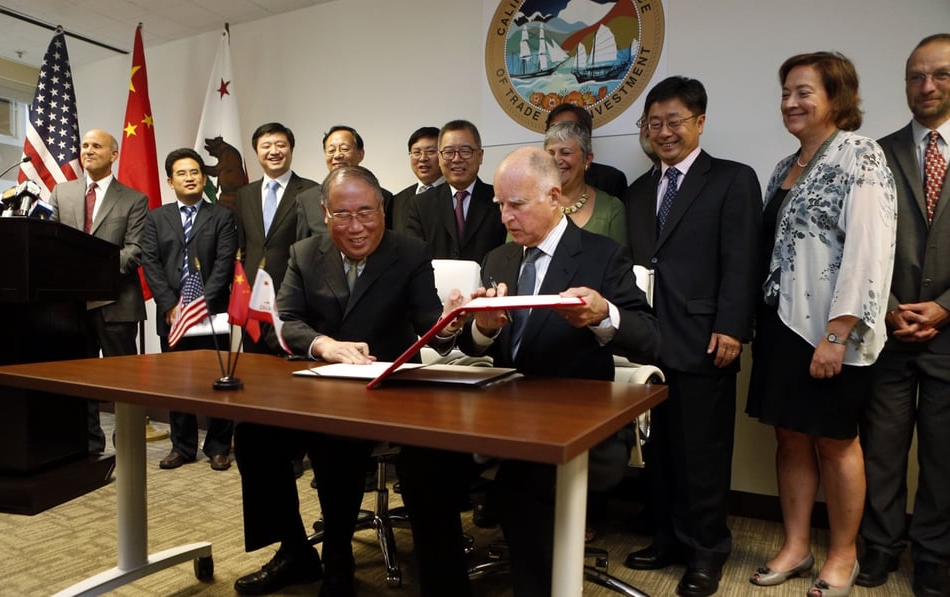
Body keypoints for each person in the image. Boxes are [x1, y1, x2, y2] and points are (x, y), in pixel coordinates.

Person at [397, 147, 660, 597]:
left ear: (554, 196)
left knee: (523, 490)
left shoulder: (602, 257)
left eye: (516, 204)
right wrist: (480, 329)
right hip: (501, 413)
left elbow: (650, 336)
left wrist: (602, 316)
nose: (505, 217)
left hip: (571, 419)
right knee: (420, 463)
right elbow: (470, 346)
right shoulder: (500, 259)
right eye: (499, 204)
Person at [232, 165, 459, 597]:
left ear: (383, 210)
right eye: (343, 215)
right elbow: (288, 321)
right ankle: (295, 551)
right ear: (325, 213)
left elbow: (430, 320)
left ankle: (338, 559)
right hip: (317, 385)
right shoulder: (303, 253)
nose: (356, 227)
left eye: (365, 213)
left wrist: (449, 324)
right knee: (254, 438)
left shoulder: (410, 253)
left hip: (382, 393)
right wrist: (324, 345)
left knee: (334, 446)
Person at [745, 52, 896, 597]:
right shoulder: (783, 166)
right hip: (781, 323)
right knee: (790, 437)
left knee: (835, 440)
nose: (791, 102)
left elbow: (869, 253)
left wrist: (837, 333)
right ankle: (797, 546)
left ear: (837, 97)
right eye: (786, 91)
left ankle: (843, 555)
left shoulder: (862, 155)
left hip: (832, 330)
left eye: (804, 91)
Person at [625, 76, 762, 597]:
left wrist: (732, 327)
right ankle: (666, 539)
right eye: (653, 123)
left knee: (702, 455)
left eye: (674, 122)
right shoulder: (639, 191)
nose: (663, 132)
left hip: (708, 340)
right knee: (658, 452)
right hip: (649, 344)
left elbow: (743, 260)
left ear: (699, 122)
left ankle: (706, 553)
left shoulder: (731, 179)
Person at [859, 34, 950, 597]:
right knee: (882, 450)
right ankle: (880, 547)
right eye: (916, 76)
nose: (926, 86)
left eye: (939, 74)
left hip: (949, 334)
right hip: (887, 331)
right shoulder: (877, 151)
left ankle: (935, 556)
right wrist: (890, 308)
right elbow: (861, 242)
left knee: (943, 455)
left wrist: (943, 308)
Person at [50, 129, 148, 454]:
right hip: (72, 305)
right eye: (85, 146)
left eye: (96, 146)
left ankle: (130, 441)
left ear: (113, 155)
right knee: (82, 376)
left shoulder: (134, 199)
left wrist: (89, 269)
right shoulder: (61, 193)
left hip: (116, 302)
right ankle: (90, 444)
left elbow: (134, 251)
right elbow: (51, 243)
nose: (88, 150)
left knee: (124, 378)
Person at [140, 148, 237, 471]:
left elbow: (224, 264)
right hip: (171, 314)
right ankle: (182, 446)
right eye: (182, 173)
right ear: (171, 181)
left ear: (203, 176)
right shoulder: (155, 217)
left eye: (195, 172)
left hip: (212, 311)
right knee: (177, 383)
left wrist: (199, 305)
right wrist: (168, 304)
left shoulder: (221, 216)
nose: (190, 177)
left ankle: (219, 446)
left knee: (218, 381)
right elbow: (150, 262)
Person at [233, 122, 317, 355]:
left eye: (281, 145)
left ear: (291, 149)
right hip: (252, 293)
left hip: (292, 292)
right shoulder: (244, 194)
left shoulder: (311, 191)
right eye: (266, 146)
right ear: (257, 152)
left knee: (289, 359)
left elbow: (314, 245)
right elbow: (243, 246)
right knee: (252, 362)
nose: (274, 151)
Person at [405, 119, 506, 263]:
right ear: (439, 158)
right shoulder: (420, 205)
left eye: (465, 151)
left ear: (480, 156)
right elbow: (414, 258)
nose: (457, 159)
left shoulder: (499, 200)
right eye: (449, 152)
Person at [293, 125, 394, 239]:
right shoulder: (307, 200)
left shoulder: (382, 196)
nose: (337, 155)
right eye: (331, 151)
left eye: (345, 149)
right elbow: (303, 249)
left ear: (360, 154)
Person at [545, 120, 627, 245]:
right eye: (550, 153)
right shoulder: (530, 205)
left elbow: (620, 263)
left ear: (587, 158)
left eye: (565, 153)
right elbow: (514, 259)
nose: (556, 160)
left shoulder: (610, 209)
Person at [546, 102, 628, 202]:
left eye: (570, 128)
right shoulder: (535, 182)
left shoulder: (611, 180)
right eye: (555, 129)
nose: (560, 133)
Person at [390, 126, 444, 233]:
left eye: (430, 151)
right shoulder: (397, 201)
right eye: (416, 152)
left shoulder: (456, 196)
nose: (423, 158)